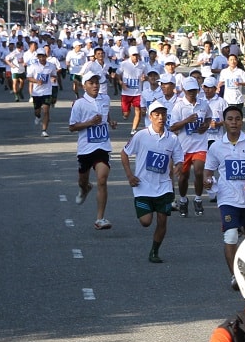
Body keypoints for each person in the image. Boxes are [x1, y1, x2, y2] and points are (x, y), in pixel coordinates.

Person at [205, 105, 245, 287]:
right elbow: (208, 170)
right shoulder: (216, 146)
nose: (234, 122)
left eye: (237, 119)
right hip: (227, 198)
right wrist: (208, 179)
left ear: (241, 121)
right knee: (231, 236)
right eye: (230, 119)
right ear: (224, 122)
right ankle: (235, 276)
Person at [120, 100, 185, 263]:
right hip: (143, 186)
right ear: (150, 117)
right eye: (157, 114)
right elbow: (124, 153)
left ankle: (154, 251)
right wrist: (129, 175)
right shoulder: (141, 136)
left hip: (163, 186)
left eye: (163, 114)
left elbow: (179, 159)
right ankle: (144, 209)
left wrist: (178, 166)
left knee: (162, 220)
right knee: (146, 222)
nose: (160, 117)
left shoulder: (173, 138)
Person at [68, 70, 113, 230]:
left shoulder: (105, 99)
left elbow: (106, 115)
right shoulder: (79, 104)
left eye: (97, 83)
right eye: (91, 83)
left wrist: (110, 122)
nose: (95, 86)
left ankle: (100, 219)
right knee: (83, 180)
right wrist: (89, 123)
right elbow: (72, 127)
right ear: (84, 86)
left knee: (102, 179)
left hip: (102, 146)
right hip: (86, 149)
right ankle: (85, 188)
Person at [169, 78, 212, 216]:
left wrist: (205, 126)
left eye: (194, 90)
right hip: (184, 147)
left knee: (199, 172)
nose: (192, 93)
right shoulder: (179, 106)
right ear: (184, 90)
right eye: (189, 91)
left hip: (200, 145)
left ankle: (198, 199)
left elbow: (209, 117)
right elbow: (172, 126)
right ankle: (183, 200)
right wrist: (187, 121)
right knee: (183, 176)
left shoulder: (203, 104)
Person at [26, 48, 57, 137]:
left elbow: (54, 75)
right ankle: (38, 116)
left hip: (47, 91)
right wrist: (36, 81)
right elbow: (28, 77)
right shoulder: (34, 66)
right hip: (36, 92)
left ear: (46, 57)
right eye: (40, 56)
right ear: (38, 57)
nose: (42, 58)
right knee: (37, 111)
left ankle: (44, 130)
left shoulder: (51, 66)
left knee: (46, 110)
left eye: (43, 56)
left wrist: (53, 78)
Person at [118, 47, 147, 134]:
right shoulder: (124, 64)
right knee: (126, 114)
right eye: (134, 55)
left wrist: (145, 78)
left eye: (137, 55)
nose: (135, 57)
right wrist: (121, 82)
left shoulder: (143, 65)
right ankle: (127, 112)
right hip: (126, 92)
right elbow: (117, 74)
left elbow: (147, 76)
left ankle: (134, 129)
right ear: (130, 55)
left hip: (138, 93)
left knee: (138, 110)